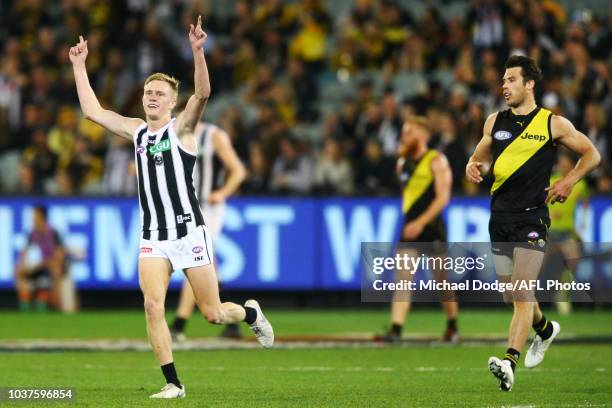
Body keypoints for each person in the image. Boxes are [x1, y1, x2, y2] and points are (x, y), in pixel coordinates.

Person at [69, 16, 274, 400]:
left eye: (159, 93)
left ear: (172, 101)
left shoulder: (182, 130)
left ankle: (250, 314)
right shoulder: (136, 131)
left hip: (188, 232)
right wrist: (79, 66)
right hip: (153, 237)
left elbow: (204, 94)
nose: (151, 96)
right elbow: (93, 112)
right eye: (148, 91)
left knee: (212, 313)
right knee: (151, 305)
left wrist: (199, 52)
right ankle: (173, 383)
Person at [466, 55, 600, 392]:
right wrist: (473, 166)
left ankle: (509, 361)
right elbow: (479, 157)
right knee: (510, 295)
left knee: (522, 291)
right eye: (503, 80)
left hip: (532, 219)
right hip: (500, 220)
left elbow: (592, 154)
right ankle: (545, 330)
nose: (504, 85)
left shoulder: (553, 124)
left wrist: (569, 180)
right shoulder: (494, 122)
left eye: (511, 79)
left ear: (530, 84)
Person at [380, 117, 459, 343]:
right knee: (402, 279)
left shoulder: (436, 160)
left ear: (423, 135)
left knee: (442, 281)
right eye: (404, 133)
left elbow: (443, 197)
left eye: (410, 133)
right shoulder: (402, 164)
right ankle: (396, 330)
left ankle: (452, 326)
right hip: (409, 228)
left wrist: (421, 222)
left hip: (431, 227)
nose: (405, 137)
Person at [170, 121, 246, 341]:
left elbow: (238, 171)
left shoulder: (214, 135)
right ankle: (233, 322)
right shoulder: (172, 133)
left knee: (195, 257)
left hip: (209, 208)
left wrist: (223, 192)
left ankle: (179, 323)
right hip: (186, 208)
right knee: (207, 263)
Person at [546, 150, 590, 315]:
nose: (562, 165)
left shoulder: (579, 183)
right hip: (549, 231)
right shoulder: (551, 179)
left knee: (575, 260)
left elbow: (586, 202)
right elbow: (541, 201)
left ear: (572, 165)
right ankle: (527, 297)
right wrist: (550, 214)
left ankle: (562, 294)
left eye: (565, 163)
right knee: (535, 263)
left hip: (565, 232)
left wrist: (583, 223)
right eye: (561, 162)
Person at [14, 205, 66, 311]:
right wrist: (22, 265)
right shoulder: (31, 234)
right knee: (18, 270)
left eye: (34, 216)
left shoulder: (53, 233)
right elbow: (23, 254)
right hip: (36, 266)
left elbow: (59, 257)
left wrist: (40, 263)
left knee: (56, 270)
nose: (32, 219)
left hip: (48, 265)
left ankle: (56, 304)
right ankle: (25, 304)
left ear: (41, 217)